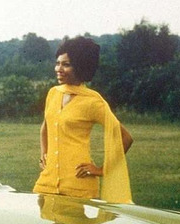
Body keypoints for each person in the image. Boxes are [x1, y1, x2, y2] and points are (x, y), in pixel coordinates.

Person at [33, 37, 133, 203]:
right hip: (47, 182)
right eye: (58, 63)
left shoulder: (93, 101)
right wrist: (44, 153)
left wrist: (101, 170)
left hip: (78, 184)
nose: (59, 69)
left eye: (66, 64)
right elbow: (46, 127)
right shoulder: (53, 93)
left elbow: (126, 138)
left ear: (80, 67)